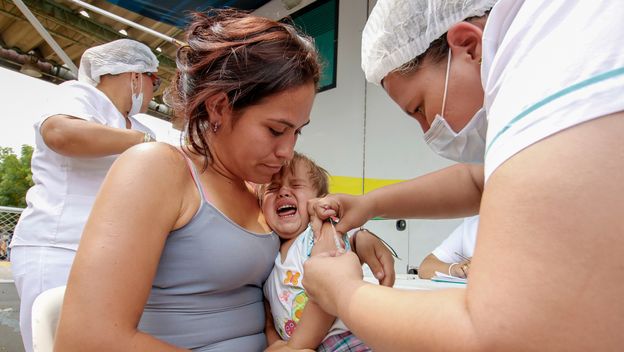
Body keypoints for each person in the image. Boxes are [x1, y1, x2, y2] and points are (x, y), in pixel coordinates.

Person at [54, 10, 393, 352]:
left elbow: (298, 247)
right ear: (218, 107)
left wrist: (355, 238)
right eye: (275, 130)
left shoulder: (257, 188)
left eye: (296, 132)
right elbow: (85, 339)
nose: (287, 151)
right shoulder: (157, 169)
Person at [303, 0, 624, 350]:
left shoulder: (551, 62)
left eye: (420, 108)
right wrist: (370, 204)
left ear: (469, 46)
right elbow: (477, 182)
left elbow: (499, 331)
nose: (427, 129)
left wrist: (345, 294)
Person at [9, 38, 160, 352]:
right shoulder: (80, 95)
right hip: (57, 245)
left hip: (108, 256)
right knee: (56, 341)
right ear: (135, 75)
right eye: (154, 80)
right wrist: (142, 140)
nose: (154, 90)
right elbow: (60, 133)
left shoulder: (139, 127)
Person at [262, 152, 373, 351]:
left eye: (295, 185)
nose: (283, 192)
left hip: (345, 339)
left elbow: (328, 293)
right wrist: (275, 344)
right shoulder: (268, 258)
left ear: (318, 203)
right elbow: (269, 316)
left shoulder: (320, 232)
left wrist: (293, 347)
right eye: (273, 188)